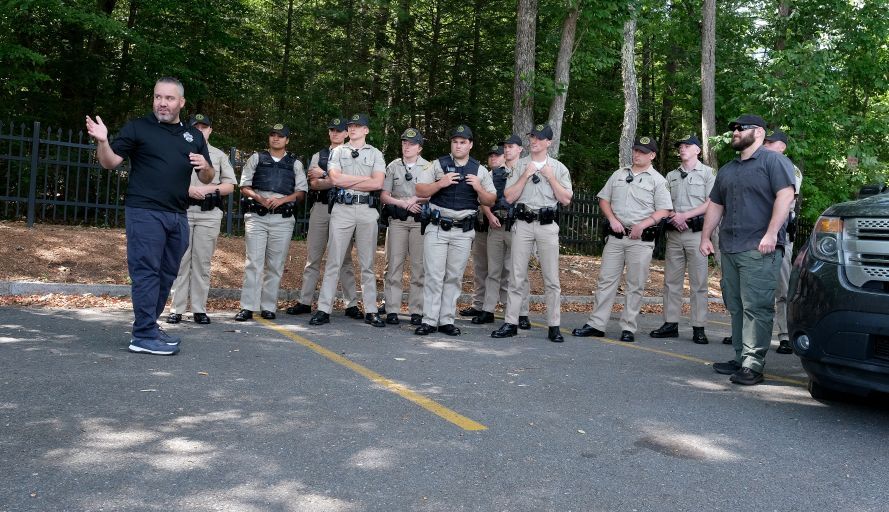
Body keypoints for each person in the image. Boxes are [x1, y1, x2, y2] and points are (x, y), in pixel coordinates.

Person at [85, 77, 214, 355]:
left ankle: (149, 325)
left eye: (169, 98)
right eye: (158, 97)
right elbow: (109, 163)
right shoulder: (137, 128)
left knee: (167, 274)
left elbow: (208, 176)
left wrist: (205, 167)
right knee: (146, 272)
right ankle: (142, 335)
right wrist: (103, 141)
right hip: (144, 212)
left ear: (181, 102)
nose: (162, 103)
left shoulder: (193, 136)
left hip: (178, 214)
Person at [700, 114, 795, 386]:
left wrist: (770, 233)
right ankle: (741, 356)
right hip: (729, 247)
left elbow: (786, 196)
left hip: (759, 247)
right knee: (736, 304)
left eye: (741, 128)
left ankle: (753, 364)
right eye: (733, 128)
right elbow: (716, 204)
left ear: (760, 133)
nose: (735, 132)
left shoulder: (773, 161)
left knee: (757, 306)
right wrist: (706, 236)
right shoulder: (728, 169)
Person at [572, 136, 672, 343]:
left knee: (635, 284)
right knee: (605, 281)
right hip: (616, 236)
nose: (637, 154)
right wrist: (612, 219)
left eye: (642, 152)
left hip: (641, 239)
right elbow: (604, 199)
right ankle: (596, 324)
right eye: (635, 150)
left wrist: (642, 225)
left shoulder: (658, 180)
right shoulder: (619, 174)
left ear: (652, 155)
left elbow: (664, 210)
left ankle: (628, 327)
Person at [492, 124, 573, 342]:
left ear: (549, 142)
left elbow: (565, 199)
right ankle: (511, 323)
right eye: (532, 137)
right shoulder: (520, 166)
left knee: (551, 278)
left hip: (547, 225)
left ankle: (554, 326)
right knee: (517, 276)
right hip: (523, 223)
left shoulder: (558, 168)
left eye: (540, 138)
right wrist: (525, 175)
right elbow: (508, 197)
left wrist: (550, 177)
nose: (534, 141)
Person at [414, 125, 496, 335]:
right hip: (438, 228)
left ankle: (447, 320)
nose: (458, 145)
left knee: (453, 276)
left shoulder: (479, 170)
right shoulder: (438, 164)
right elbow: (420, 190)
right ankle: (429, 320)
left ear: (470, 145)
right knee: (434, 275)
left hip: (463, 231)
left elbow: (491, 199)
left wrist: (478, 187)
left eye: (462, 142)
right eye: (455, 142)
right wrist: (440, 183)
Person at [309, 113, 386, 328]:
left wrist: (349, 182)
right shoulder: (337, 151)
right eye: (351, 126)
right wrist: (365, 180)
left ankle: (371, 310)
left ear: (366, 130)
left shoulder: (376, 154)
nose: (353, 129)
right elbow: (334, 179)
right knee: (334, 260)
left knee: (367, 264)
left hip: (367, 210)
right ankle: (324, 309)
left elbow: (378, 183)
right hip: (342, 209)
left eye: (358, 126)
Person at [285, 117, 361, 319]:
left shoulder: (353, 154)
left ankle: (351, 304)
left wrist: (327, 175)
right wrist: (335, 179)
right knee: (313, 257)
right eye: (331, 130)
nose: (335, 133)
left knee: (344, 259)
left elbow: (352, 183)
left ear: (346, 133)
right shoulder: (319, 155)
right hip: (321, 208)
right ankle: (305, 301)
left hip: (344, 208)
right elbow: (314, 184)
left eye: (339, 130)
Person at [166, 114, 237, 325]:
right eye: (195, 127)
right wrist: (187, 189)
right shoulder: (177, 149)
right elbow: (165, 178)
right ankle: (176, 308)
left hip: (209, 214)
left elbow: (229, 186)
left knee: (202, 263)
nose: (200, 130)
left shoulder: (218, 155)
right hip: (182, 210)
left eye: (204, 127)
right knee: (179, 261)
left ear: (210, 130)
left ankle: (199, 309)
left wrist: (208, 189)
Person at [235, 124, 308, 321]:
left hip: (282, 219)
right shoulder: (257, 158)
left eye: (280, 136)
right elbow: (244, 186)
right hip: (257, 216)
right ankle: (248, 306)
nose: (276, 138)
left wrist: (282, 200)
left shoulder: (295, 163)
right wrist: (258, 198)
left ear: (287, 140)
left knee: (275, 265)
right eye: (273, 135)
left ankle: (268, 307)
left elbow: (301, 192)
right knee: (253, 263)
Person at [649, 134, 715, 343]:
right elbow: (664, 202)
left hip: (696, 233)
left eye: (687, 146)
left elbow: (712, 202)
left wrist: (685, 216)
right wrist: (673, 217)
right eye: (680, 146)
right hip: (674, 233)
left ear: (698, 150)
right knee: (671, 281)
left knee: (699, 282)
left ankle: (698, 326)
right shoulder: (671, 176)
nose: (682, 149)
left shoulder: (708, 173)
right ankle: (670, 323)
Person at [380, 128, 429, 325]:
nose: (407, 146)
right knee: (393, 266)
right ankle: (392, 309)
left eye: (411, 143)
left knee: (419, 268)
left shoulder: (428, 167)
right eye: (404, 143)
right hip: (398, 221)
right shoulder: (393, 166)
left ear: (420, 148)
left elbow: (433, 192)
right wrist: (403, 203)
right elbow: (384, 195)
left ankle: (417, 310)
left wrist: (415, 199)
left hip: (419, 223)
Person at [763, 129, 803, 355]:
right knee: (755, 288)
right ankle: (750, 333)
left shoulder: (790, 168)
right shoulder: (759, 165)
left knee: (782, 288)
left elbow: (785, 200)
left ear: (782, 146)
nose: (766, 145)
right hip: (757, 232)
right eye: (765, 141)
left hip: (780, 235)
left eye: (771, 142)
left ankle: (785, 334)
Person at [469, 145, 511, 325]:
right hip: (482, 226)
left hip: (500, 225)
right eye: (491, 155)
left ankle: (508, 307)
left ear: (505, 157)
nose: (493, 158)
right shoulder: (483, 175)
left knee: (505, 270)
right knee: (481, 268)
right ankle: (479, 305)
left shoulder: (509, 174)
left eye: (497, 155)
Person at [502, 134, 532, 329]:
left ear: (520, 149)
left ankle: (523, 312)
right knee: (505, 270)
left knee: (520, 271)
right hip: (502, 223)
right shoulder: (497, 170)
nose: (506, 149)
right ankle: (510, 312)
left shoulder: (526, 168)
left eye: (511, 146)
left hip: (522, 224)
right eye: (505, 146)